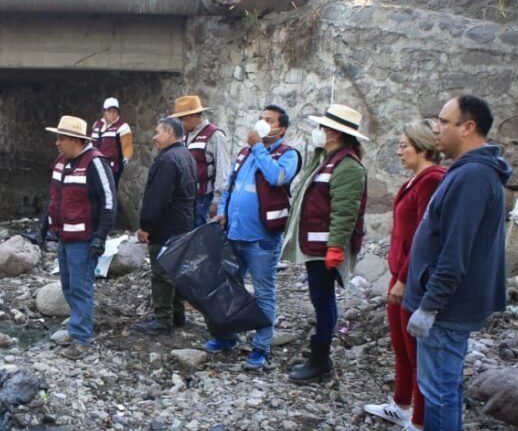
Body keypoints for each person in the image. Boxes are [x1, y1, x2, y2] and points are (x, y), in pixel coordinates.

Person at [388, 96, 510, 431]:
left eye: (443, 121)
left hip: (447, 307)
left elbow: (454, 252)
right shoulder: (467, 173)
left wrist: (429, 305)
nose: (436, 128)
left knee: (439, 387)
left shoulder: (472, 177)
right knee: (439, 383)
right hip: (445, 303)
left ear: (468, 127)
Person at [363, 119, 445, 431]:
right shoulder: (415, 180)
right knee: (400, 346)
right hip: (399, 276)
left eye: (403, 145)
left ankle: (419, 426)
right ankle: (401, 404)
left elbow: (426, 237)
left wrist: (402, 278)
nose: (399, 152)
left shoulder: (432, 181)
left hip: (411, 281)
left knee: (416, 354)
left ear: (422, 146)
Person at [205, 104, 301, 370]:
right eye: (260, 118)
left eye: (268, 120)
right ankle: (228, 336)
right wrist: (223, 211)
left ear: (281, 128)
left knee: (263, 293)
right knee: (231, 288)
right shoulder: (245, 152)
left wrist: (259, 147)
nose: (262, 123)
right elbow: (230, 185)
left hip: (262, 239)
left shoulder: (288, 154)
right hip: (235, 233)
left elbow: (276, 177)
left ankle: (261, 347)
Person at [280, 104, 369, 384]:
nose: (318, 132)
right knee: (320, 299)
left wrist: (335, 247)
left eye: (322, 128)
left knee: (323, 300)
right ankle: (318, 357)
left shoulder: (348, 166)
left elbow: (344, 211)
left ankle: (320, 359)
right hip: (316, 245)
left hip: (324, 247)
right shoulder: (326, 159)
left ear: (332, 132)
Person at [43, 115, 116, 360]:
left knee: (81, 287)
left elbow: (109, 202)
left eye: (61, 138)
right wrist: (44, 227)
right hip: (65, 236)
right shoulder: (62, 162)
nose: (57, 142)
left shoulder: (95, 163)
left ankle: (82, 338)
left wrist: (100, 237)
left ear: (75, 140)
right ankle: (76, 328)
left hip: (84, 239)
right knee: (67, 286)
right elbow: (55, 197)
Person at [133, 116, 196, 334]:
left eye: (158, 132)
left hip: (166, 227)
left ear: (170, 133)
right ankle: (178, 315)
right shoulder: (186, 156)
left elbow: (157, 197)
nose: (153, 137)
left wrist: (146, 226)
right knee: (177, 271)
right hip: (183, 224)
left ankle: (162, 320)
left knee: (161, 274)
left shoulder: (167, 160)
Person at [172, 95, 231, 228]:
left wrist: (217, 200)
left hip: (204, 198)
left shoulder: (215, 135)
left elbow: (223, 169)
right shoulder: (184, 135)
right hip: (186, 198)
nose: (179, 123)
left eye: (181, 119)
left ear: (191, 116)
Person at [91, 97, 133, 186]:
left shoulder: (123, 127)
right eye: (109, 111)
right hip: (95, 164)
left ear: (118, 112)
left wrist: (127, 156)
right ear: (104, 112)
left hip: (112, 167)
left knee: (109, 190)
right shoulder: (97, 124)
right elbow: (91, 143)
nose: (112, 114)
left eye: (114, 111)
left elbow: (127, 145)